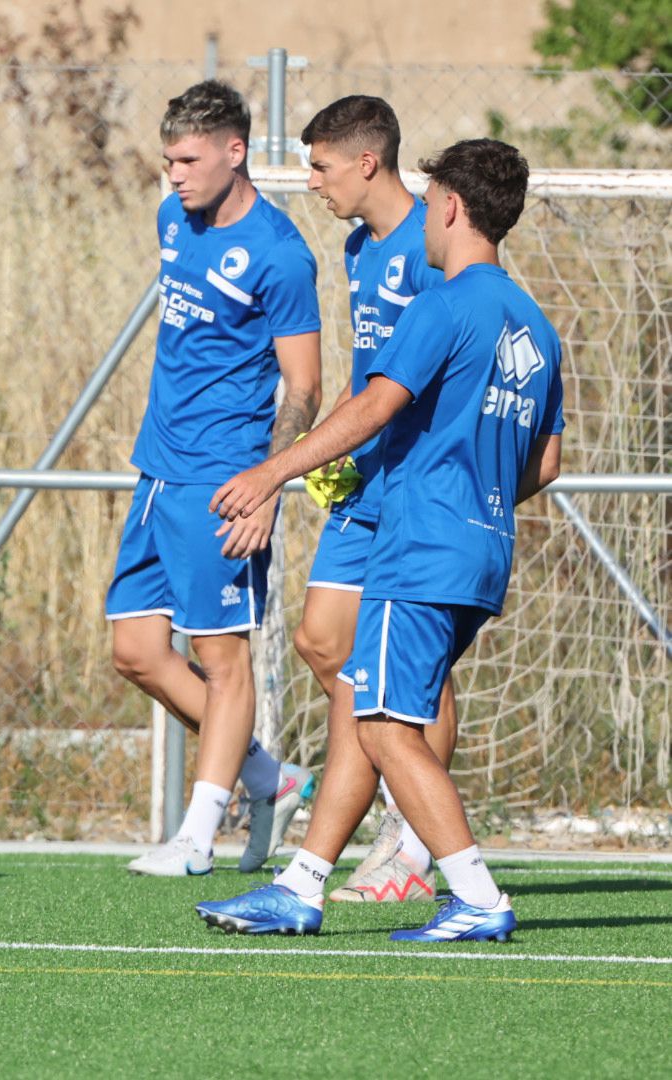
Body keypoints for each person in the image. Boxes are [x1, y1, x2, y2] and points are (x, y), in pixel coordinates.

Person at [197, 138, 564, 941]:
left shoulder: (445, 301)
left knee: (389, 728)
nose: (425, 217)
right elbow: (548, 461)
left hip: (421, 549)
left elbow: (373, 407)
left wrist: (270, 474)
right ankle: (303, 883)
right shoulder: (535, 324)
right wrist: (478, 494)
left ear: (451, 208)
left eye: (432, 202)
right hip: (480, 548)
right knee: (370, 708)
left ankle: (475, 895)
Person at [111, 81, 322, 877]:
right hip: (157, 472)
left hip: (221, 484)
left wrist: (267, 482)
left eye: (189, 159)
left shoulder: (279, 254)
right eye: (168, 159)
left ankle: (198, 837)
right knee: (135, 651)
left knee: (222, 657)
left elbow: (303, 384)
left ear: (236, 152)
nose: (174, 175)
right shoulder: (173, 219)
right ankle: (268, 778)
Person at [296, 95, 455, 904]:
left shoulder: (434, 240)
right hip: (365, 476)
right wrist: (338, 445)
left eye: (320, 167)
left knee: (412, 661)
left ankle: (410, 835)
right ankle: (390, 771)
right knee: (324, 641)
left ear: (366, 162)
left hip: (419, 485)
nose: (311, 184)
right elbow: (369, 373)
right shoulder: (360, 248)